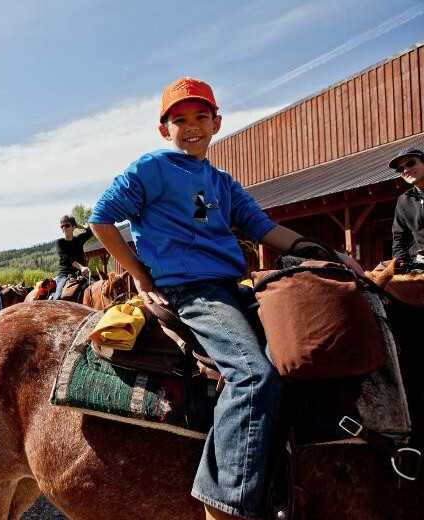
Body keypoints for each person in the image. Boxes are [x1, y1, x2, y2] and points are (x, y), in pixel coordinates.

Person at [89, 77, 361, 520]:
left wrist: (326, 253)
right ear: (165, 130)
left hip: (232, 288)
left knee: (303, 350)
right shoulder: (152, 167)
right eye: (180, 120)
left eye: (201, 117)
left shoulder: (222, 181)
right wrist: (139, 274)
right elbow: (102, 219)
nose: (191, 127)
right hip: (191, 290)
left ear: (217, 123)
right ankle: (225, 502)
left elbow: (264, 228)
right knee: (253, 374)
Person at [389, 146, 424, 271]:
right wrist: (400, 262)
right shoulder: (404, 200)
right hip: (418, 265)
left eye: (410, 163)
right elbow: (399, 238)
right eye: (400, 169)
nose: (406, 170)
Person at [49, 215, 94, 300]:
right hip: (65, 275)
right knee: (58, 298)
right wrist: (81, 267)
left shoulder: (79, 239)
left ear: (73, 227)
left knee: (97, 290)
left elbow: (90, 231)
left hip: (81, 274)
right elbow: (67, 259)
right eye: (62, 226)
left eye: (67, 225)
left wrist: (78, 225)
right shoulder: (59, 242)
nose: (64, 228)